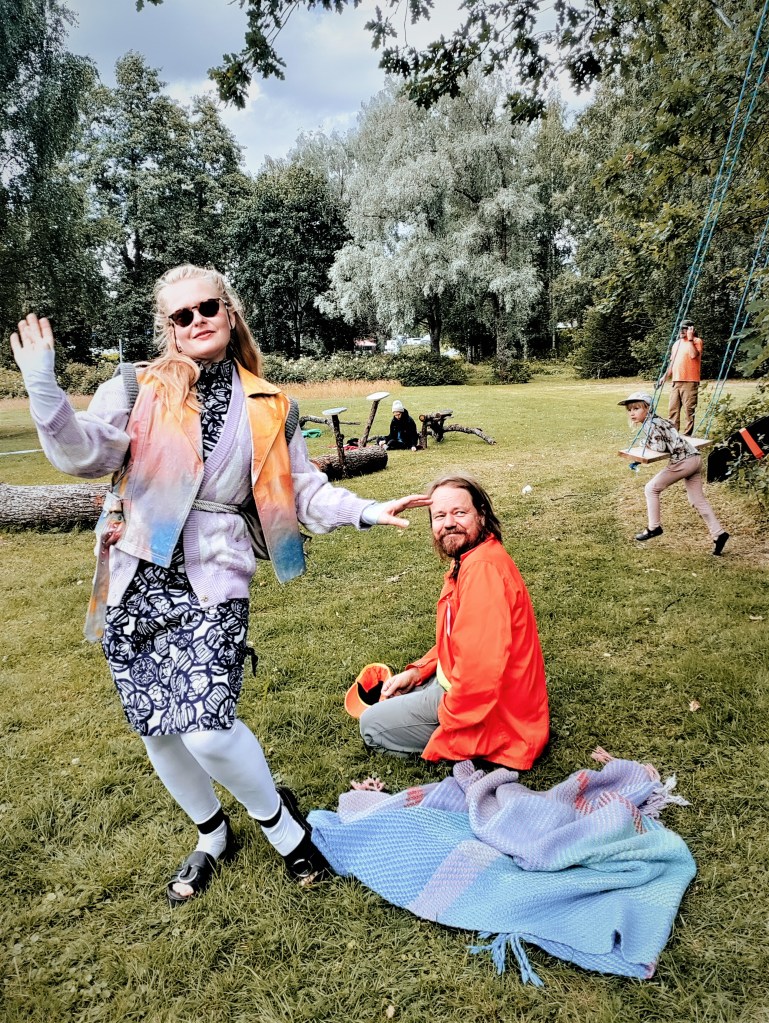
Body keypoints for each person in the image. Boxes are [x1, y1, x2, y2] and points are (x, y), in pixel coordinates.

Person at [10, 264, 429, 907]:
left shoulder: (270, 404)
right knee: (158, 727)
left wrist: (367, 509)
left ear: (229, 314)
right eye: (182, 315)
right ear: (170, 330)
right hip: (136, 573)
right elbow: (86, 454)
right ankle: (212, 832)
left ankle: (284, 830)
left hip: (214, 573)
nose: (197, 319)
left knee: (206, 726)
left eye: (208, 307)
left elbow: (303, 491)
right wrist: (44, 388)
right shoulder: (136, 387)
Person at [357, 474, 550, 771]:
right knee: (391, 697)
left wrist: (448, 724)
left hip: (497, 717)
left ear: (481, 515)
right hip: (458, 685)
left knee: (371, 724)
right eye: (439, 516)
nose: (448, 523)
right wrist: (418, 673)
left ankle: (465, 743)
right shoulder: (469, 558)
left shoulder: (482, 571)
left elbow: (480, 672)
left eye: (459, 513)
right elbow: (459, 640)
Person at [618, 391, 729, 555]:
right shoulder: (659, 420)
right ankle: (719, 534)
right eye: (629, 410)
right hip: (695, 458)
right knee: (697, 501)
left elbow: (660, 447)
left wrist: (644, 443)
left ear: (648, 408)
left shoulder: (650, 424)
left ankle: (654, 527)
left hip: (683, 461)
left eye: (636, 408)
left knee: (651, 488)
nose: (632, 413)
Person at [660, 321, 703, 435]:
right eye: (680, 328)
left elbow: (693, 355)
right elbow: (672, 363)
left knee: (689, 411)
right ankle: (673, 435)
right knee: (672, 410)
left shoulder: (696, 341)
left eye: (685, 328)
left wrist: (690, 339)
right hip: (676, 381)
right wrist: (664, 377)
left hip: (690, 382)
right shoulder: (676, 344)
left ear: (691, 330)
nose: (681, 331)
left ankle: (687, 436)